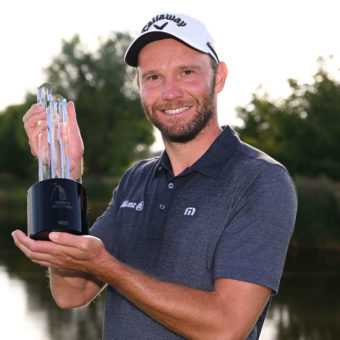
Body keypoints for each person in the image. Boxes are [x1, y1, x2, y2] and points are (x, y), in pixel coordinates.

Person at [12, 12, 297, 340]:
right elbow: (71, 292)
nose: (170, 92)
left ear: (218, 77)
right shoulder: (137, 178)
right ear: (139, 86)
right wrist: (64, 171)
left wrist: (109, 268)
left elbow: (226, 327)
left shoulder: (260, 180)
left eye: (186, 72)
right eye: (153, 77)